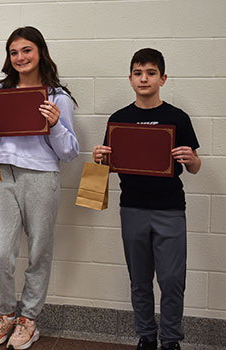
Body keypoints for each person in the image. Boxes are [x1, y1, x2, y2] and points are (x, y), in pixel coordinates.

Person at [0, 26, 79, 349]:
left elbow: (70, 152)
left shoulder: (57, 97)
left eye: (26, 50)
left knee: (39, 252)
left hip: (42, 178)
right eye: (14, 52)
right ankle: (6, 314)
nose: (20, 57)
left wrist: (55, 124)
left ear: (40, 52)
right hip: (4, 175)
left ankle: (29, 320)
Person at [92, 48, 200, 350]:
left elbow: (194, 166)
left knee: (172, 281)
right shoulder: (120, 119)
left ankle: (171, 341)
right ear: (130, 78)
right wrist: (99, 157)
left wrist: (190, 158)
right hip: (133, 209)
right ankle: (146, 337)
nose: (144, 78)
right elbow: (107, 166)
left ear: (162, 78)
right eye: (138, 73)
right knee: (139, 281)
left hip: (170, 210)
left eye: (151, 73)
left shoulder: (177, 118)